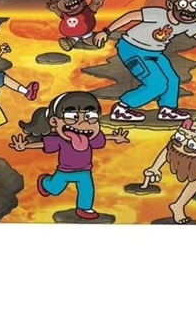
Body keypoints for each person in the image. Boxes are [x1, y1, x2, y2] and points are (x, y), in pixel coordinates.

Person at [9, 91, 129, 219]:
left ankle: (84, 209)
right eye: (73, 117)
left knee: (87, 190)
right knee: (54, 189)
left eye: (90, 116)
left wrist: (115, 137)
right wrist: (25, 146)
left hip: (84, 171)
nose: (83, 123)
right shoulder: (59, 140)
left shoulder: (89, 139)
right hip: (64, 171)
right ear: (54, 121)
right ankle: (45, 182)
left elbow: (103, 138)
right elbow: (42, 144)